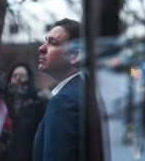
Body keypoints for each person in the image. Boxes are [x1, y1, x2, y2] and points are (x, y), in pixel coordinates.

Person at [33, 18, 106, 161]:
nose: (41, 48)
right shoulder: (86, 92)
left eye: (53, 43)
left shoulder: (64, 101)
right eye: (45, 41)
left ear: (75, 55)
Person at [0, 63, 46, 161]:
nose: (18, 78)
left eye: (22, 75)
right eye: (14, 75)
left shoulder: (37, 103)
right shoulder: (2, 102)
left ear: (29, 79)